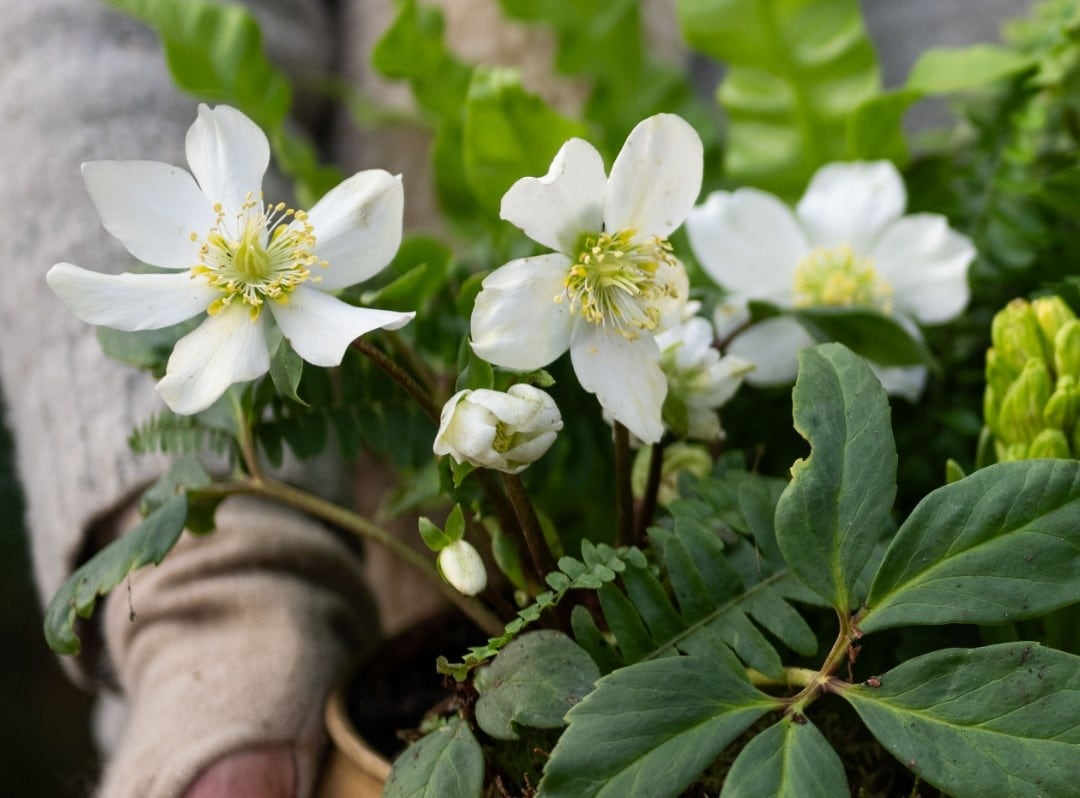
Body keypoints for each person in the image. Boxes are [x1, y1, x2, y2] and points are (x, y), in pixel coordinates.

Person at [0, 1, 1029, 796]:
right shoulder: (498, 311)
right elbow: (87, 49)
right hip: (348, 642)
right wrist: (220, 615)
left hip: (838, 593)